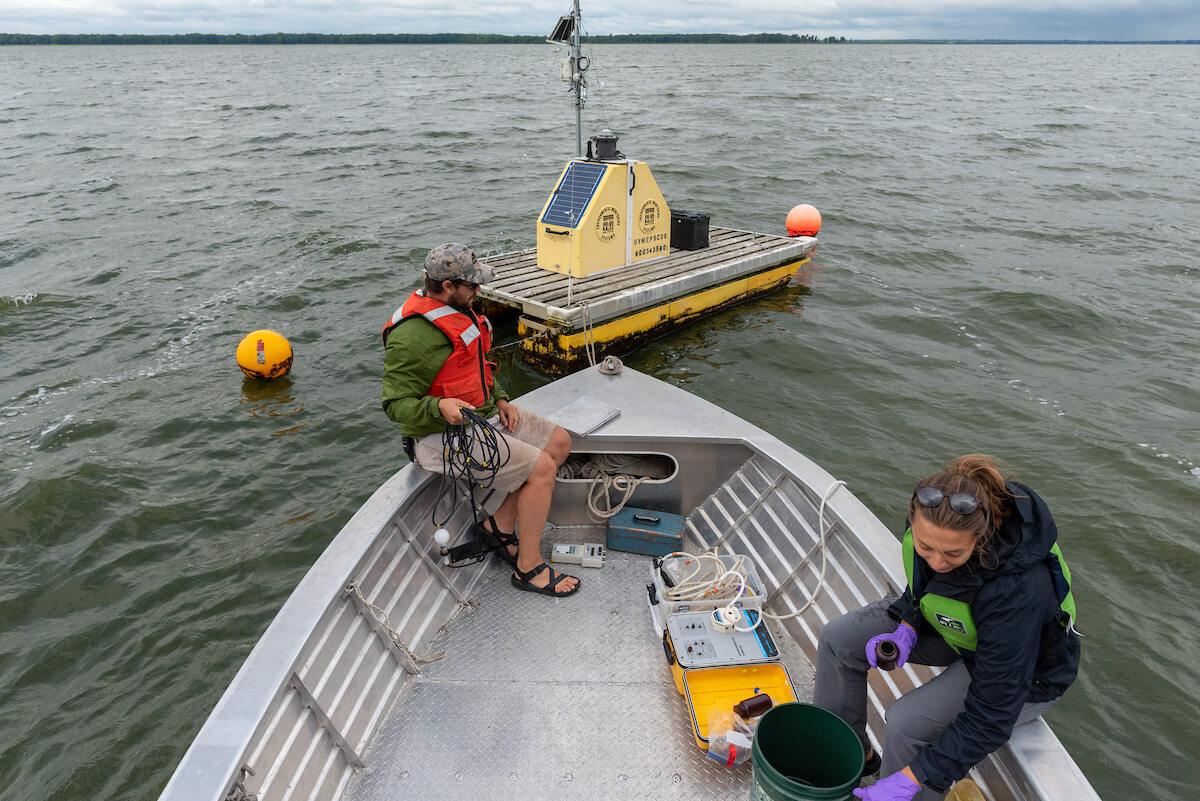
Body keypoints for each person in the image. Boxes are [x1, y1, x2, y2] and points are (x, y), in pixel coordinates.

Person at [813, 455, 1080, 801]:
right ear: (914, 517)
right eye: (925, 547)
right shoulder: (931, 525)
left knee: (905, 724)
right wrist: (907, 626)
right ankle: (851, 756)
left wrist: (911, 779)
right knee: (838, 640)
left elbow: (992, 716)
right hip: (957, 631)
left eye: (953, 554)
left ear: (980, 538)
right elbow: (922, 587)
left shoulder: (1017, 592)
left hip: (1022, 671)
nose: (937, 561)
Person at [381, 242, 579, 598]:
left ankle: (498, 527)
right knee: (542, 469)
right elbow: (396, 405)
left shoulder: (461, 310)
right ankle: (528, 567)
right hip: (438, 438)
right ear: (447, 287)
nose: (478, 291)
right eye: (472, 285)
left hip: (482, 416)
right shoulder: (412, 337)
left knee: (559, 442)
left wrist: (499, 395)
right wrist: (438, 408)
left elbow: (476, 364)